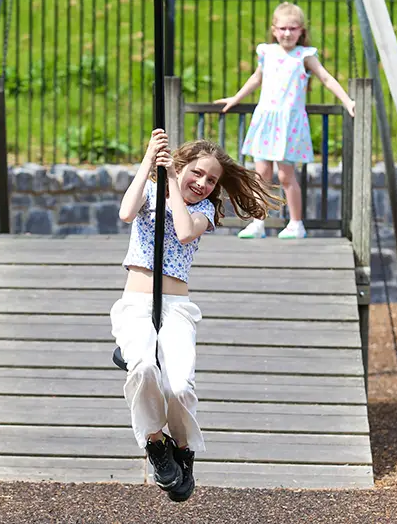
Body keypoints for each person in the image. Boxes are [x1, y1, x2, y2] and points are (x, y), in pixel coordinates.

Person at [112, 129, 280, 502]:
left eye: (211, 180)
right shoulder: (150, 195)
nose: (203, 183)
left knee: (179, 385)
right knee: (142, 369)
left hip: (175, 308)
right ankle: (157, 445)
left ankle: (183, 451)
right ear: (182, 165)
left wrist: (172, 179)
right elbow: (125, 213)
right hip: (137, 303)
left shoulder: (202, 211)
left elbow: (184, 232)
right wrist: (149, 161)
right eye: (196, 173)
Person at [215, 1, 356, 239]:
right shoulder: (267, 52)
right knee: (261, 174)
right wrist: (236, 98)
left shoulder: (305, 56)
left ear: (301, 30)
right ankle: (258, 221)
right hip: (266, 120)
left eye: (292, 28)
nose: (287, 33)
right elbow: (256, 79)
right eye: (282, 28)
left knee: (285, 175)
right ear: (273, 29)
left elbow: (326, 79)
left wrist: (347, 101)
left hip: (288, 123)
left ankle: (296, 223)